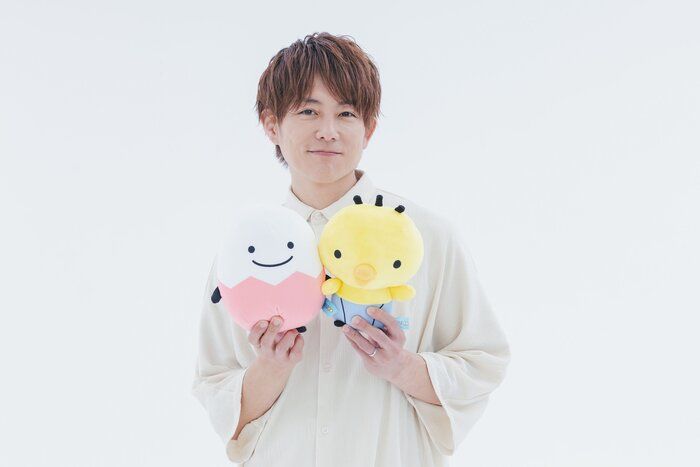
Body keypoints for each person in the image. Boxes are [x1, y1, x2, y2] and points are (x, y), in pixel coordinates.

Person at [191, 32, 511, 467]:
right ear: (271, 124)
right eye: (308, 111)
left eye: (346, 113)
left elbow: (483, 362)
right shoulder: (245, 252)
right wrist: (271, 368)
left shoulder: (426, 237)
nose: (328, 131)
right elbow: (215, 387)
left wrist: (401, 366)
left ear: (369, 128)